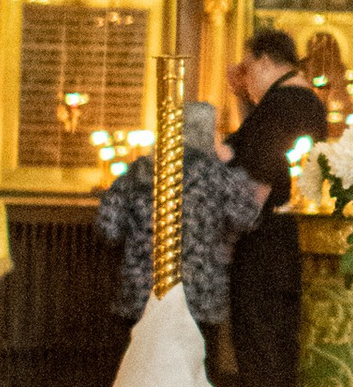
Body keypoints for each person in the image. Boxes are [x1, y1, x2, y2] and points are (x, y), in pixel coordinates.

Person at [224, 27, 331, 387]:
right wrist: (244, 99)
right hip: (283, 242)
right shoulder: (291, 101)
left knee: (264, 339)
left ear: (267, 61)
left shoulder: (288, 103)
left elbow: (260, 175)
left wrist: (229, 230)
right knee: (272, 339)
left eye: (247, 68)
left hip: (268, 245)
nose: (243, 77)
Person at [94, 100, 267, 333]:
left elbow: (108, 228)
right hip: (199, 294)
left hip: (144, 293)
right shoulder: (218, 175)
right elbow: (247, 217)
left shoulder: (138, 171)